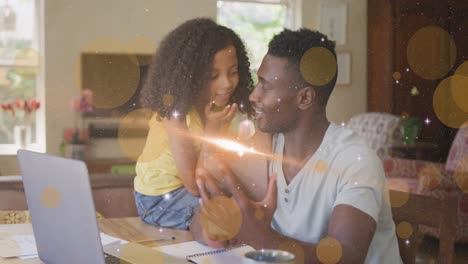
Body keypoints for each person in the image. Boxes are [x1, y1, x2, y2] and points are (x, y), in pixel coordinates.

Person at [192, 28, 402, 263]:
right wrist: (215, 229)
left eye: (266, 86)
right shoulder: (264, 148)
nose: (253, 95)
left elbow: (347, 258)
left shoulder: (355, 162)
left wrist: (259, 236)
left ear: (305, 98)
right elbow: (201, 214)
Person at [133, 18, 254, 230]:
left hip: (187, 190)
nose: (226, 83)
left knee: (246, 205)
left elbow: (212, 165)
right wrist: (212, 130)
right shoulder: (176, 115)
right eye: (213, 75)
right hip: (159, 201)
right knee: (235, 218)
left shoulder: (216, 106)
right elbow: (194, 183)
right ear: (188, 77)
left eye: (233, 72)